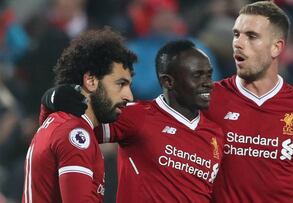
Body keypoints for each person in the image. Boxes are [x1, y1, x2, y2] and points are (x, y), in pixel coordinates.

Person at [40, 40, 224, 202]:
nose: (208, 82)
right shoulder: (138, 116)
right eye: (197, 76)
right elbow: (70, 131)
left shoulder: (215, 134)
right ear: (168, 82)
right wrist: (52, 100)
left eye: (209, 75)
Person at [202, 1, 293, 202]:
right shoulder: (209, 100)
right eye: (236, 34)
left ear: (276, 48)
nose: (238, 43)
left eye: (251, 36)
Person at [22, 27, 137, 203]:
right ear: (90, 81)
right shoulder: (76, 134)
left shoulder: (56, 120)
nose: (129, 96)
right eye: (120, 84)